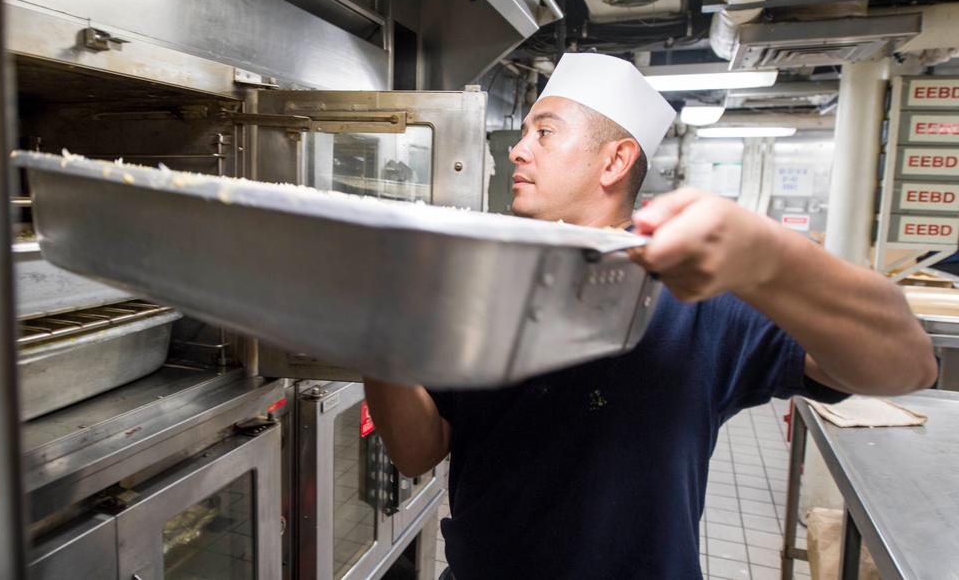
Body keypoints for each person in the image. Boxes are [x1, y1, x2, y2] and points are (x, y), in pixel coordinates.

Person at [364, 53, 937, 578]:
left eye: (544, 132)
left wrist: (771, 259)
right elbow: (419, 449)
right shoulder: (481, 276)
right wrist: (373, 330)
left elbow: (908, 366)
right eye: (522, 134)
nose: (518, 150)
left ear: (615, 160)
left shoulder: (695, 283)